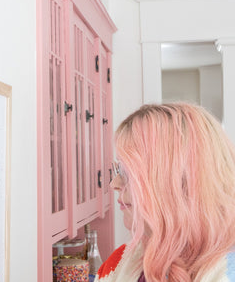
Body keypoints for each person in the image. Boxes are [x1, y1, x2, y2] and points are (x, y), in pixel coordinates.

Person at [97, 103, 235, 282]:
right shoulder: (120, 260)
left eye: (126, 172)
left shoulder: (227, 273)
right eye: (118, 169)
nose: (114, 184)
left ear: (174, 182)